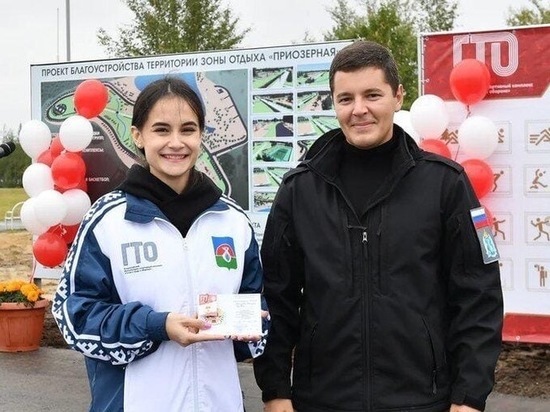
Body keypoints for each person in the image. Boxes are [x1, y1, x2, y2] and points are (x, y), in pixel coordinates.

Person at [253, 40, 503, 412]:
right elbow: (277, 298)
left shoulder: (446, 185)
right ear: (333, 103)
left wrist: (468, 397)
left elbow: (479, 296)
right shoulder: (298, 190)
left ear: (397, 96)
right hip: (321, 401)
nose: (359, 110)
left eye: (372, 95)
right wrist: (275, 391)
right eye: (346, 98)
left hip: (423, 401)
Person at [52, 77, 266, 412]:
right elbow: (74, 315)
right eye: (162, 130)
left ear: (201, 135)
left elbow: (257, 305)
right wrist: (157, 325)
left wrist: (248, 323)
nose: (176, 143)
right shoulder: (108, 220)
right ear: (138, 136)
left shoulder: (233, 220)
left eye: (188, 130)